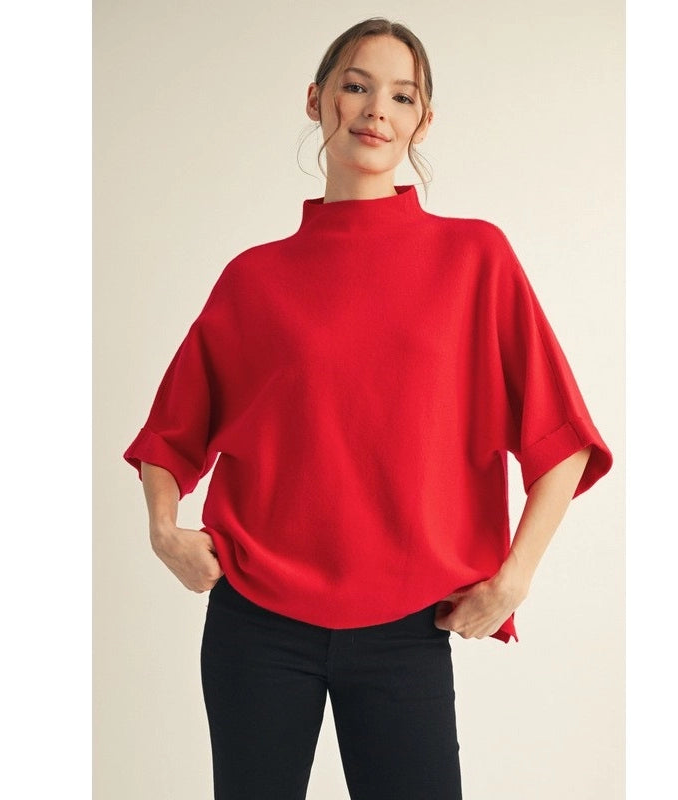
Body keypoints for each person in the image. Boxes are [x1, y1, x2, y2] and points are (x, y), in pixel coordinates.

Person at [123, 16, 613, 800]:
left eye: (401, 95)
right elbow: (170, 433)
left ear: (424, 120)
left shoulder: (474, 258)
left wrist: (515, 578)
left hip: (406, 630)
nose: (377, 109)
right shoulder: (254, 279)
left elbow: (563, 437)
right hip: (256, 623)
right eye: (357, 86)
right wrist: (162, 532)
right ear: (317, 100)